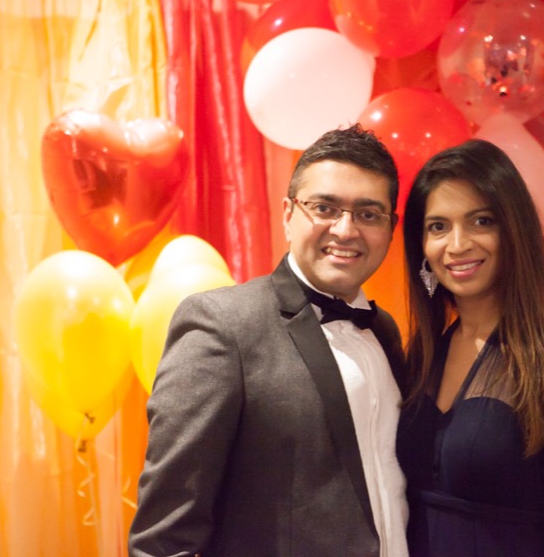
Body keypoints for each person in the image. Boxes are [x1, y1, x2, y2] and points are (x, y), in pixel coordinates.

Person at [129, 124, 409, 557]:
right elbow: (164, 537)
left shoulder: (384, 330)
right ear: (287, 214)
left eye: (368, 214)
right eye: (324, 208)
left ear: (391, 227)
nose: (345, 229)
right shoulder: (222, 324)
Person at [396, 139, 544, 557]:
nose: (457, 244)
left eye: (480, 221)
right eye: (438, 227)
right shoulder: (423, 355)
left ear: (513, 230)